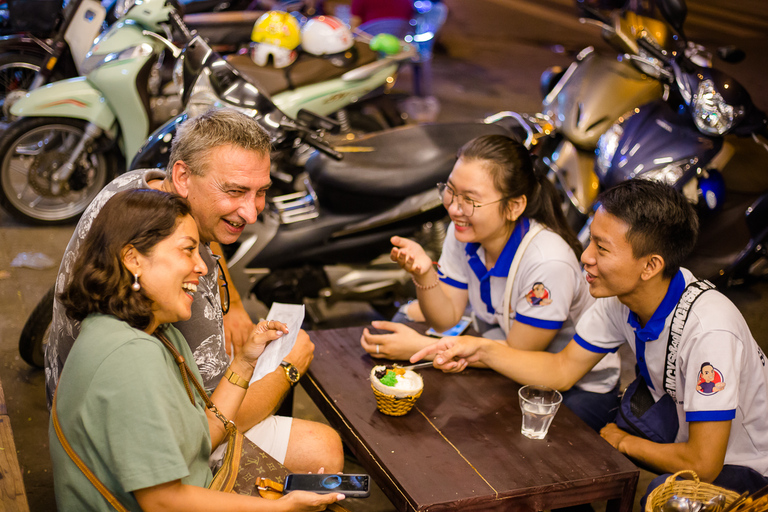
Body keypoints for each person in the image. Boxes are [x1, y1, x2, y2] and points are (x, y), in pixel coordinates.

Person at [412, 180, 768, 503]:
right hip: (680, 432)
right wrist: (483, 349)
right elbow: (562, 369)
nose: (586, 256)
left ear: (650, 265)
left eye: (602, 248)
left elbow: (703, 464)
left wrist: (622, 441)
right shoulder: (622, 298)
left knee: (663, 497)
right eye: (591, 240)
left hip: (749, 467)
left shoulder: (710, 332)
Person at [46, 108, 344, 473]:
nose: (251, 214)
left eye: (260, 192)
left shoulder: (141, 187)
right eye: (234, 191)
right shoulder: (179, 291)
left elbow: (207, 236)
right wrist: (288, 368)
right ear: (183, 176)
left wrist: (232, 303)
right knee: (323, 449)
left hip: (71, 398)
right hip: (117, 446)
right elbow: (211, 424)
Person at [50, 189, 343, 511]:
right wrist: (283, 507)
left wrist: (245, 360)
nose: (201, 267)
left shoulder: (149, 331)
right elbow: (162, 501)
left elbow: (203, 434)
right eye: (188, 250)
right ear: (133, 259)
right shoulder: (131, 358)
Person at [361, 134, 621, 431]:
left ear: (514, 206)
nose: (455, 208)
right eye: (450, 191)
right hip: (511, 359)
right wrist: (423, 275)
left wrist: (420, 347)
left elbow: (519, 353)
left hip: (577, 388)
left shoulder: (547, 262)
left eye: (470, 200)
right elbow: (445, 319)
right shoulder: (465, 232)